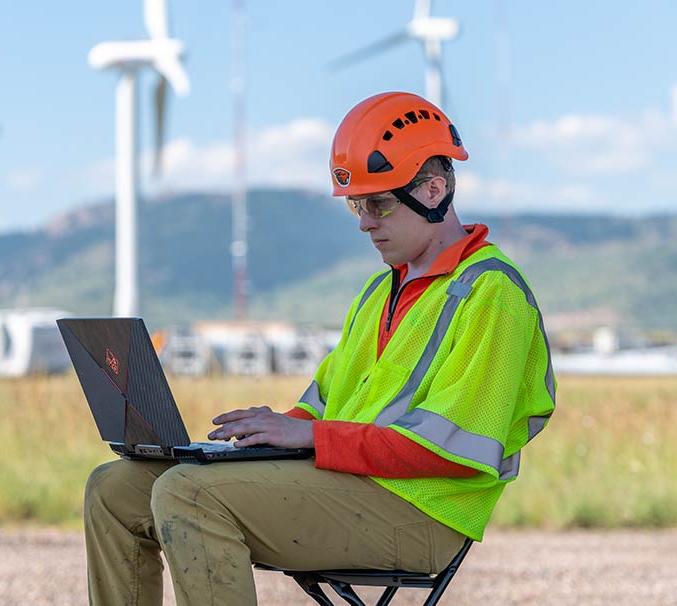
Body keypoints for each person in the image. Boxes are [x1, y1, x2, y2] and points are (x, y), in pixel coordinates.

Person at [83, 91, 556, 606]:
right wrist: (259, 439)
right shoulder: (381, 293)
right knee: (113, 487)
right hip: (348, 484)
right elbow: (322, 407)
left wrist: (306, 435)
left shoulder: (493, 295)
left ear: (434, 189)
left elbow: (455, 451)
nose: (363, 222)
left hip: (422, 512)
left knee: (187, 495)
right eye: (356, 205)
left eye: (378, 204)